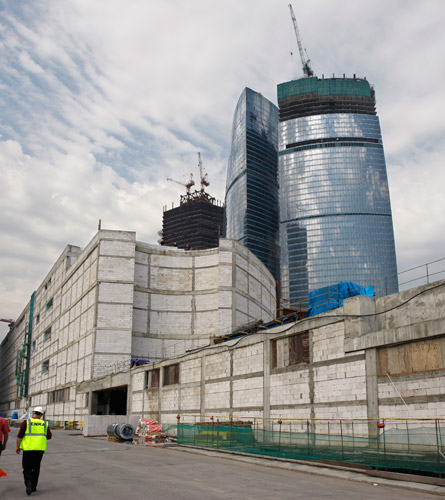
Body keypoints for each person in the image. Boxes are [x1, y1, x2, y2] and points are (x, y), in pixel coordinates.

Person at [16, 406, 52, 495]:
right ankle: (33, 487)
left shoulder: (26, 422)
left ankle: (28, 482)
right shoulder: (44, 424)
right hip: (39, 449)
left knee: (26, 467)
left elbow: (19, 436)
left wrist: (18, 446)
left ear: (33, 413)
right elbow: (49, 436)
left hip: (28, 449)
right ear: (41, 415)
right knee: (36, 468)